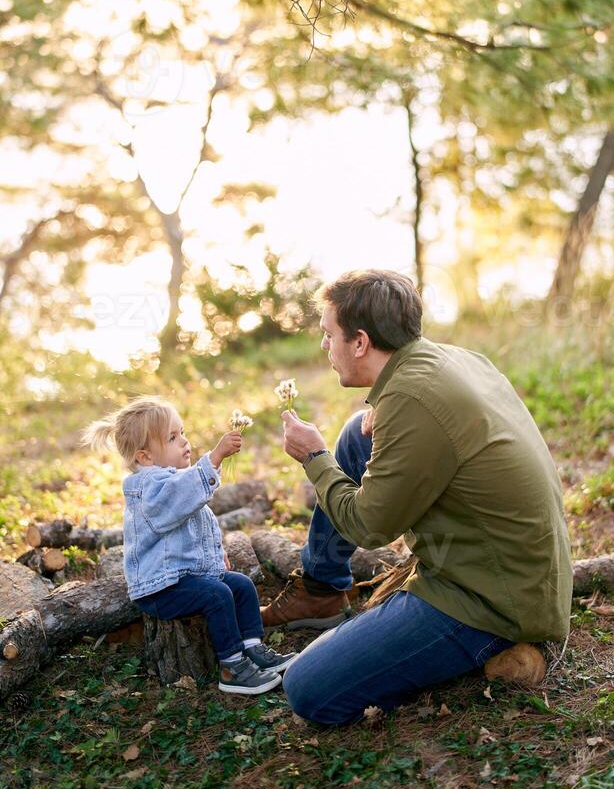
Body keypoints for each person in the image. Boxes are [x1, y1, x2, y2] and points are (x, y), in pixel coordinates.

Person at [260, 269, 573, 725]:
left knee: (308, 688)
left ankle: (493, 643)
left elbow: (370, 527)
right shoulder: (447, 359)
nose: (324, 347)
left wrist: (313, 458)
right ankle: (322, 589)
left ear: (361, 342)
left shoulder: (412, 399)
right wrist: (381, 414)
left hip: (491, 598)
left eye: (329, 336)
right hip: (514, 564)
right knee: (355, 434)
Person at [84, 396, 295, 695]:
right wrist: (214, 458)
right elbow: (181, 497)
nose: (184, 441)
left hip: (183, 576)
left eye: (181, 432)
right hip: (160, 588)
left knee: (241, 586)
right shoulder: (149, 490)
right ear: (144, 458)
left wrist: (216, 551)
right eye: (172, 437)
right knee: (218, 595)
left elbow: (198, 521)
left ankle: (252, 647)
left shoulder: (172, 480)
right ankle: (232, 666)